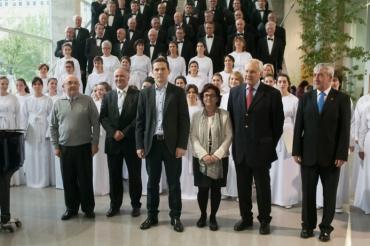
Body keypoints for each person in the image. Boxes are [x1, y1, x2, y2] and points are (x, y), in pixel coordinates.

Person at [292, 63, 351, 242]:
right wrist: (296, 150)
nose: (316, 78)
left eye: (321, 75)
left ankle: (325, 228)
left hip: (332, 157)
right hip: (308, 155)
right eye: (315, 74)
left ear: (331, 78)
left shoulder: (341, 99)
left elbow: (344, 129)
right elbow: (298, 126)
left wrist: (341, 154)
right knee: (308, 194)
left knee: (329, 195)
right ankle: (307, 226)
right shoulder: (306, 97)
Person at [228, 59, 284, 235]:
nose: (248, 75)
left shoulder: (272, 94)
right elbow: (231, 120)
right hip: (241, 149)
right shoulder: (235, 92)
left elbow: (278, 124)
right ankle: (246, 218)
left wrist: (268, 144)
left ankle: (265, 220)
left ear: (260, 73)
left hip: (261, 150)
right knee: (243, 188)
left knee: (262, 188)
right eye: (246, 71)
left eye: (252, 72)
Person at [136, 57, 190, 232]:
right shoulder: (145, 93)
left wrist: (182, 145)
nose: (159, 72)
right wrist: (139, 145)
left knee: (174, 183)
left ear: (168, 71)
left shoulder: (178, 92)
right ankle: (152, 216)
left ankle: (175, 217)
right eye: (156, 69)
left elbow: (184, 121)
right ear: (152, 72)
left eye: (162, 69)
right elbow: (140, 122)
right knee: (152, 183)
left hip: (172, 145)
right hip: (152, 145)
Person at [50, 75, 100, 220]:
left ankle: (88, 208)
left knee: (85, 179)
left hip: (84, 147)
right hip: (65, 148)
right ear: (63, 86)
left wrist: (95, 143)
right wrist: (55, 146)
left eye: (75, 83)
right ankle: (71, 208)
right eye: (69, 83)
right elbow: (52, 126)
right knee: (68, 180)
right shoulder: (58, 103)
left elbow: (96, 123)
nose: (72, 85)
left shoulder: (88, 101)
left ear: (79, 85)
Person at [100, 68, 142, 217]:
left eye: (122, 76)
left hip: (131, 142)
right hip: (113, 142)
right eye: (116, 76)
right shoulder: (108, 96)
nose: (119, 78)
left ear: (128, 77)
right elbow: (103, 117)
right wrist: (113, 132)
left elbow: (138, 118)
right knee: (114, 176)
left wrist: (124, 132)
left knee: (134, 175)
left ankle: (136, 205)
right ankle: (115, 205)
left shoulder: (137, 95)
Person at [191, 83, 232, 231]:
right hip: (201, 158)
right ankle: (203, 215)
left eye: (212, 95)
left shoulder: (224, 115)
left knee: (216, 190)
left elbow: (229, 136)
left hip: (219, 159)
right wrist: (203, 155)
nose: (209, 97)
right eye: (206, 95)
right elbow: (193, 137)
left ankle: (213, 216)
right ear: (202, 97)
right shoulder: (196, 115)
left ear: (217, 98)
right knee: (202, 189)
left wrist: (216, 155)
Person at [270, 74, 300, 208]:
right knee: (275, 166)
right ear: (276, 83)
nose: (282, 84)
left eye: (284, 82)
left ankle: (288, 198)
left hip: (289, 133)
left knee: (288, 167)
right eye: (280, 82)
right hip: (274, 134)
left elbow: (297, 120)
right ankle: (273, 196)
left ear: (288, 84)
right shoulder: (272, 98)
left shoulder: (294, 100)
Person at [21, 77, 53, 188]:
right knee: (31, 154)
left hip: (43, 128)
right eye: (35, 84)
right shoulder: (27, 100)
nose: (37, 86)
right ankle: (31, 180)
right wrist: (23, 132)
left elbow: (51, 117)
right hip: (31, 130)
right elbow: (24, 117)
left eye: (39, 84)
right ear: (32, 86)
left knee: (43, 154)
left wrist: (49, 131)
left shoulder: (48, 100)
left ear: (42, 86)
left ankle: (43, 180)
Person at [0, 76, 21, 226]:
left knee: (6, 162)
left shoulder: (13, 98)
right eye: (1, 83)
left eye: (6, 84)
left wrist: (16, 132)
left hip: (8, 131)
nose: (4, 86)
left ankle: (5, 213)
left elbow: (18, 114)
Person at [220, 71, 243, 199]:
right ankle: (226, 191)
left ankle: (237, 192)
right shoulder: (224, 96)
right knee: (226, 161)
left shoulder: (243, 94)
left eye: (236, 79)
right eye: (231, 79)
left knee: (236, 162)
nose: (233, 81)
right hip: (226, 131)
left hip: (238, 132)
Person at [181, 84, 202, 200]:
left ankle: (195, 190)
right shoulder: (182, 108)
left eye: (193, 92)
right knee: (184, 165)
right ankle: (185, 189)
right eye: (189, 92)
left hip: (196, 141)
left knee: (195, 165)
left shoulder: (200, 110)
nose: (191, 94)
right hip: (184, 141)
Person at [92, 82, 112, 196]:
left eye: (102, 89)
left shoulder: (110, 103)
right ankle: (96, 186)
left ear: (107, 91)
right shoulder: (93, 103)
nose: (99, 92)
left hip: (106, 134)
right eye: (97, 90)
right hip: (95, 135)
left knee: (106, 160)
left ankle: (106, 186)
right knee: (96, 160)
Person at [11, 79, 30, 186]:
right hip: (15, 124)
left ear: (25, 85)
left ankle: (27, 173)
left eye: (21, 85)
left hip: (26, 124)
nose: (19, 87)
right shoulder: (14, 97)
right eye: (17, 85)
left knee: (26, 149)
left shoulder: (29, 97)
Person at [354, 104, 370, 214]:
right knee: (368, 173)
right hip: (369, 142)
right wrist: (361, 147)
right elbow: (363, 129)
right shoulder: (368, 107)